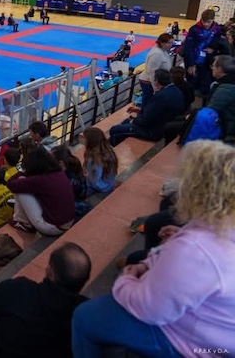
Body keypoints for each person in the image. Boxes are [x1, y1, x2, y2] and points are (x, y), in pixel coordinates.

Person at [72, 140, 235, 358]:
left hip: (193, 343)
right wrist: (171, 245)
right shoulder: (221, 224)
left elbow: (150, 309)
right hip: (212, 331)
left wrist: (127, 278)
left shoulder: (195, 249)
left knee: (84, 317)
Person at [7, 145, 75, 235]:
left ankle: (24, 223)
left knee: (20, 187)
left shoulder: (41, 180)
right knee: (24, 185)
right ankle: (22, 220)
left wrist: (23, 171)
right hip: (67, 221)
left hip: (53, 227)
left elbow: (10, 184)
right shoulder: (58, 172)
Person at [109, 69, 185, 146]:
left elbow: (146, 120)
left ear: (156, 82)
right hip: (162, 124)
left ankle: (111, 148)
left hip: (153, 131)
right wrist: (140, 110)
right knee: (126, 121)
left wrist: (134, 120)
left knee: (114, 130)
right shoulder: (176, 90)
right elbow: (159, 111)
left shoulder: (160, 96)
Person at [183, 8, 224, 97]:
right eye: (203, 21)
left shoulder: (216, 28)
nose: (205, 24)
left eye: (208, 22)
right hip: (195, 60)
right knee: (191, 83)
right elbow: (188, 47)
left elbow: (218, 41)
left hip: (207, 61)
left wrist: (213, 49)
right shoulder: (194, 29)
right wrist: (191, 64)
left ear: (213, 20)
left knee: (204, 83)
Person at [140, 33, 174, 109]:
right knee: (147, 103)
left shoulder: (163, 50)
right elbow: (152, 72)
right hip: (149, 82)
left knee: (150, 103)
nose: (170, 45)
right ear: (161, 43)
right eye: (168, 43)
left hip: (158, 81)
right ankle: (143, 115)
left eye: (171, 43)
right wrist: (156, 89)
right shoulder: (156, 54)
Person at [82, 127, 118, 195]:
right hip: (109, 184)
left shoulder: (93, 159)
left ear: (90, 141)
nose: (82, 140)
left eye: (84, 138)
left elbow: (95, 182)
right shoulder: (108, 151)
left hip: (101, 188)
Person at [208, 54, 235, 143]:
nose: (212, 68)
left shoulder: (225, 89)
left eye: (213, 66)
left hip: (227, 134)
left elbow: (210, 112)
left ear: (220, 69)